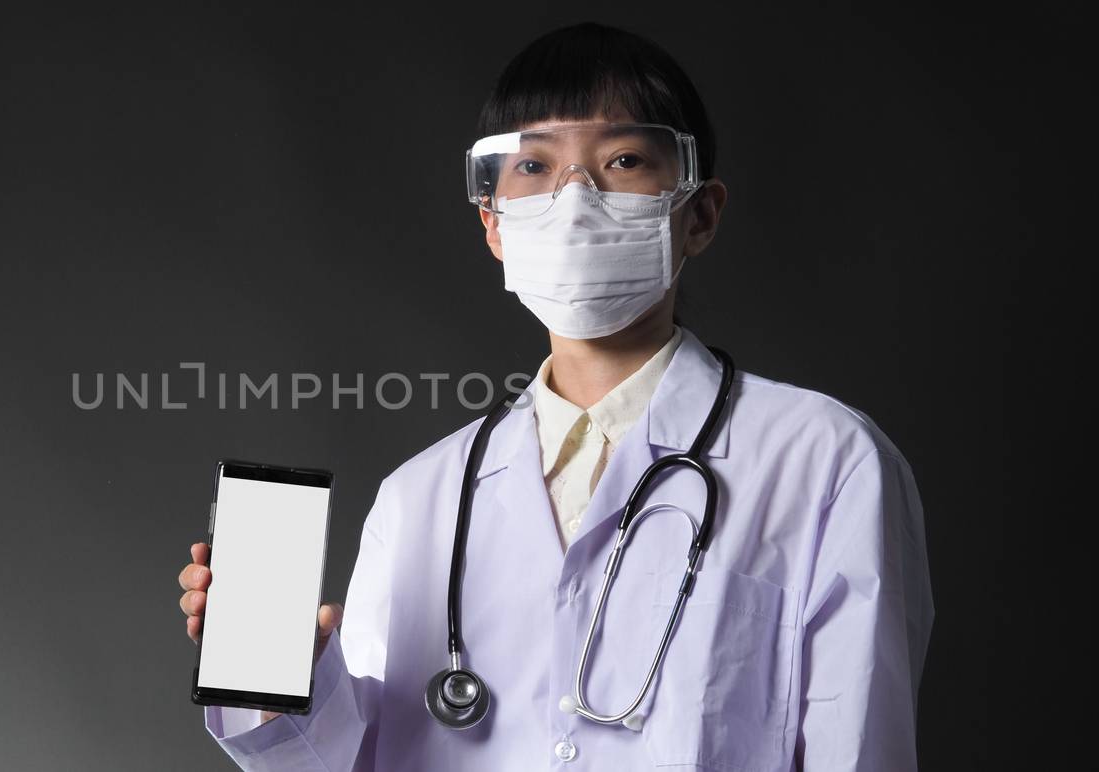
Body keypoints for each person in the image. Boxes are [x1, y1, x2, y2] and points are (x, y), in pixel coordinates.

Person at [177, 21, 932, 771]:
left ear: (698, 213)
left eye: (624, 159)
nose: (576, 197)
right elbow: (347, 764)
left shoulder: (824, 460)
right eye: (534, 167)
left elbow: (860, 748)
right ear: (493, 225)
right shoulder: (419, 498)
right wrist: (290, 681)